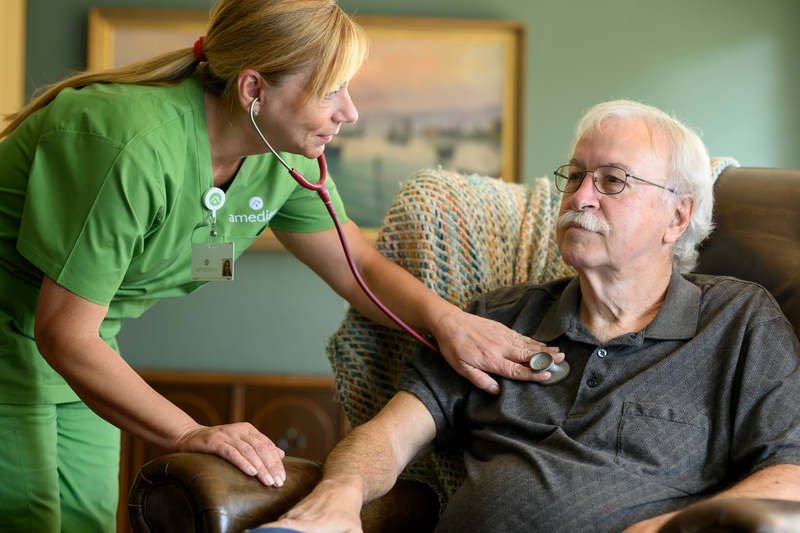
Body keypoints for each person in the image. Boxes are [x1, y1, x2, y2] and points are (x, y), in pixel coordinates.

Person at [0, 0, 560, 531]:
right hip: (24, 337)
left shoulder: (278, 155)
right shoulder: (129, 144)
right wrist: (191, 432)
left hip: (84, 347)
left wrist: (450, 323)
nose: (350, 112)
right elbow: (63, 330)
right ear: (253, 90)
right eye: (330, 91)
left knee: (87, 521)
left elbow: (358, 268)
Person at [260, 100, 800, 533]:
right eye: (576, 175)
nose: (580, 197)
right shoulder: (500, 320)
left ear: (677, 216)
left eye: (613, 180)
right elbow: (388, 437)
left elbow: (789, 473)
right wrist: (338, 497)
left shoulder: (738, 320)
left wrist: (666, 529)